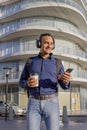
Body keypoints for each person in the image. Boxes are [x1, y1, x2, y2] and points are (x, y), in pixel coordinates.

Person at [19, 33, 71, 130]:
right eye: (46, 43)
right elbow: (21, 81)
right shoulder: (31, 61)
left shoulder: (57, 62)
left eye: (51, 43)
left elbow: (63, 85)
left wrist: (66, 81)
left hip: (52, 102)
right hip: (33, 102)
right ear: (39, 44)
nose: (49, 46)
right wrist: (27, 83)